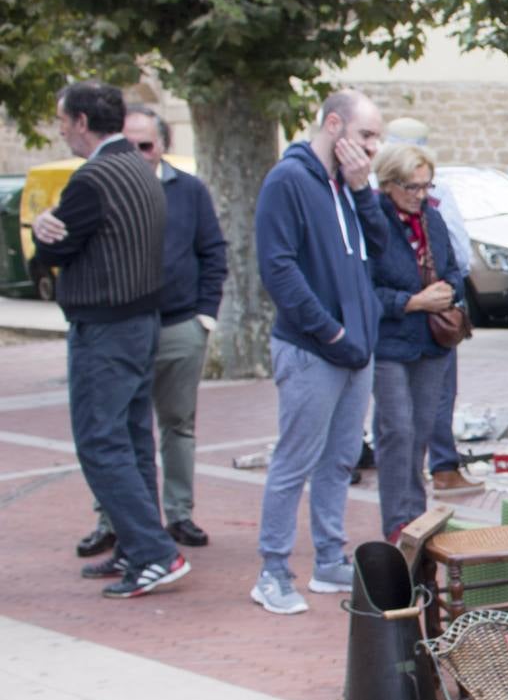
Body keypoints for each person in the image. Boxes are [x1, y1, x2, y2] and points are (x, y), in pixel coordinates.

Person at [31, 81, 189, 598]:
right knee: (132, 439)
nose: (59, 129)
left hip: (106, 328)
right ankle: (135, 545)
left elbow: (54, 251)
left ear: (80, 121)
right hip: (141, 322)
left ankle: (153, 552)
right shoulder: (140, 171)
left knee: (100, 442)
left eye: (61, 120)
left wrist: (44, 232)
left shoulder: (93, 178)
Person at [250, 89, 388, 615]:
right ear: (334, 126)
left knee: (340, 461)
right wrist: (328, 332)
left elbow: (381, 252)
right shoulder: (288, 180)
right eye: (366, 136)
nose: (373, 149)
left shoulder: (348, 185)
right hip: (314, 349)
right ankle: (272, 570)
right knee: (295, 460)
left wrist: (363, 191)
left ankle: (330, 560)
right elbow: (279, 268)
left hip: (356, 350)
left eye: (377, 138)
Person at [74, 106, 227, 558]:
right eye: (130, 145)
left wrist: (205, 316)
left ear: (163, 145)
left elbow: (212, 251)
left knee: (177, 423)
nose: (139, 154)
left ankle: (178, 512)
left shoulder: (189, 190)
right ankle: (115, 520)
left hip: (178, 324)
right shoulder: (103, 184)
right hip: (121, 327)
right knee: (118, 429)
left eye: (147, 145)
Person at [367, 144, 464, 540]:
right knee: (397, 431)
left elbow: (455, 269)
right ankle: (397, 523)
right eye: (412, 187)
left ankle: (415, 516)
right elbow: (366, 287)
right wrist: (411, 302)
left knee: (421, 430)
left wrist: (447, 291)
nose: (420, 195)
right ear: (389, 184)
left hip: (432, 342)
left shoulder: (433, 219)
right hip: (391, 342)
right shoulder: (375, 223)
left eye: (426, 186)